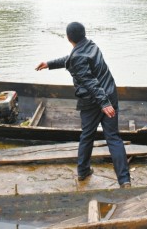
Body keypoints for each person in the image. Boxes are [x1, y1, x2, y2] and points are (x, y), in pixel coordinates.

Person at [35, 22, 131, 188]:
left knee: (87, 136)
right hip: (109, 94)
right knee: (114, 138)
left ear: (68, 38)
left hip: (94, 102)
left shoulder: (78, 55)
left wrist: (103, 103)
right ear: (83, 34)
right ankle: (124, 180)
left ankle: (83, 172)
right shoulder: (91, 46)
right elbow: (72, 60)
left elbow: (89, 81)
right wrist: (50, 64)